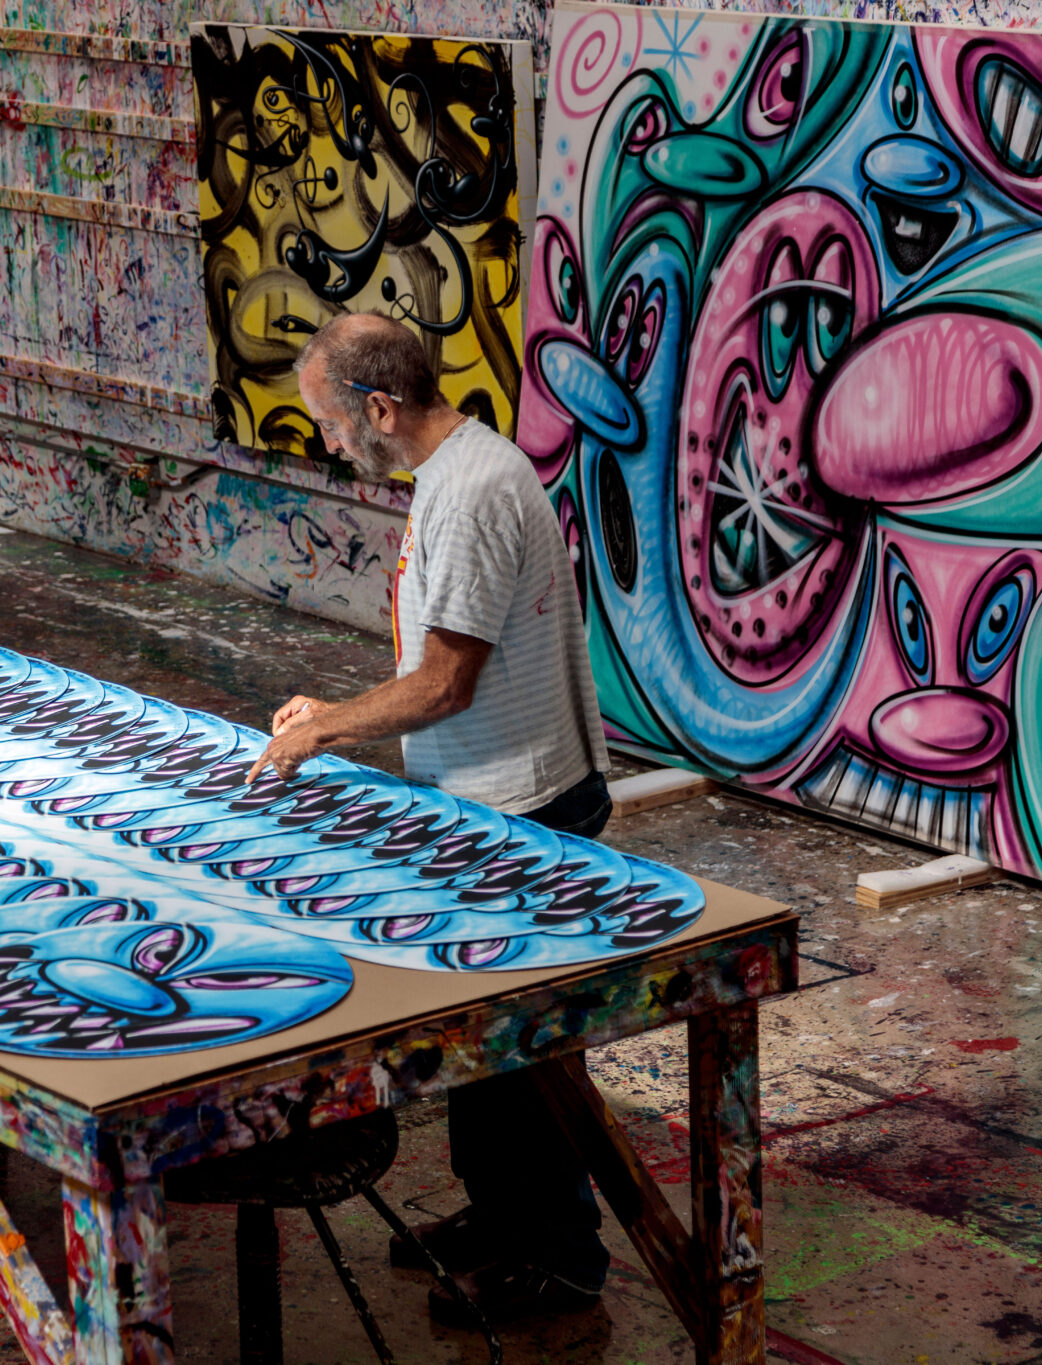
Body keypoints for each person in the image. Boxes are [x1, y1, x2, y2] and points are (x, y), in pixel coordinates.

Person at [246, 311, 614, 1324]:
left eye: (329, 422)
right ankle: (499, 1216)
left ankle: (560, 1259)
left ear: (379, 408)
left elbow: (447, 682)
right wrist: (333, 712)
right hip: (487, 799)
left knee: (523, 1055)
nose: (327, 441)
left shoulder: (469, 493)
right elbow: (437, 664)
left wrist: (325, 729)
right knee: (478, 1044)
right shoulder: (453, 472)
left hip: (528, 808)